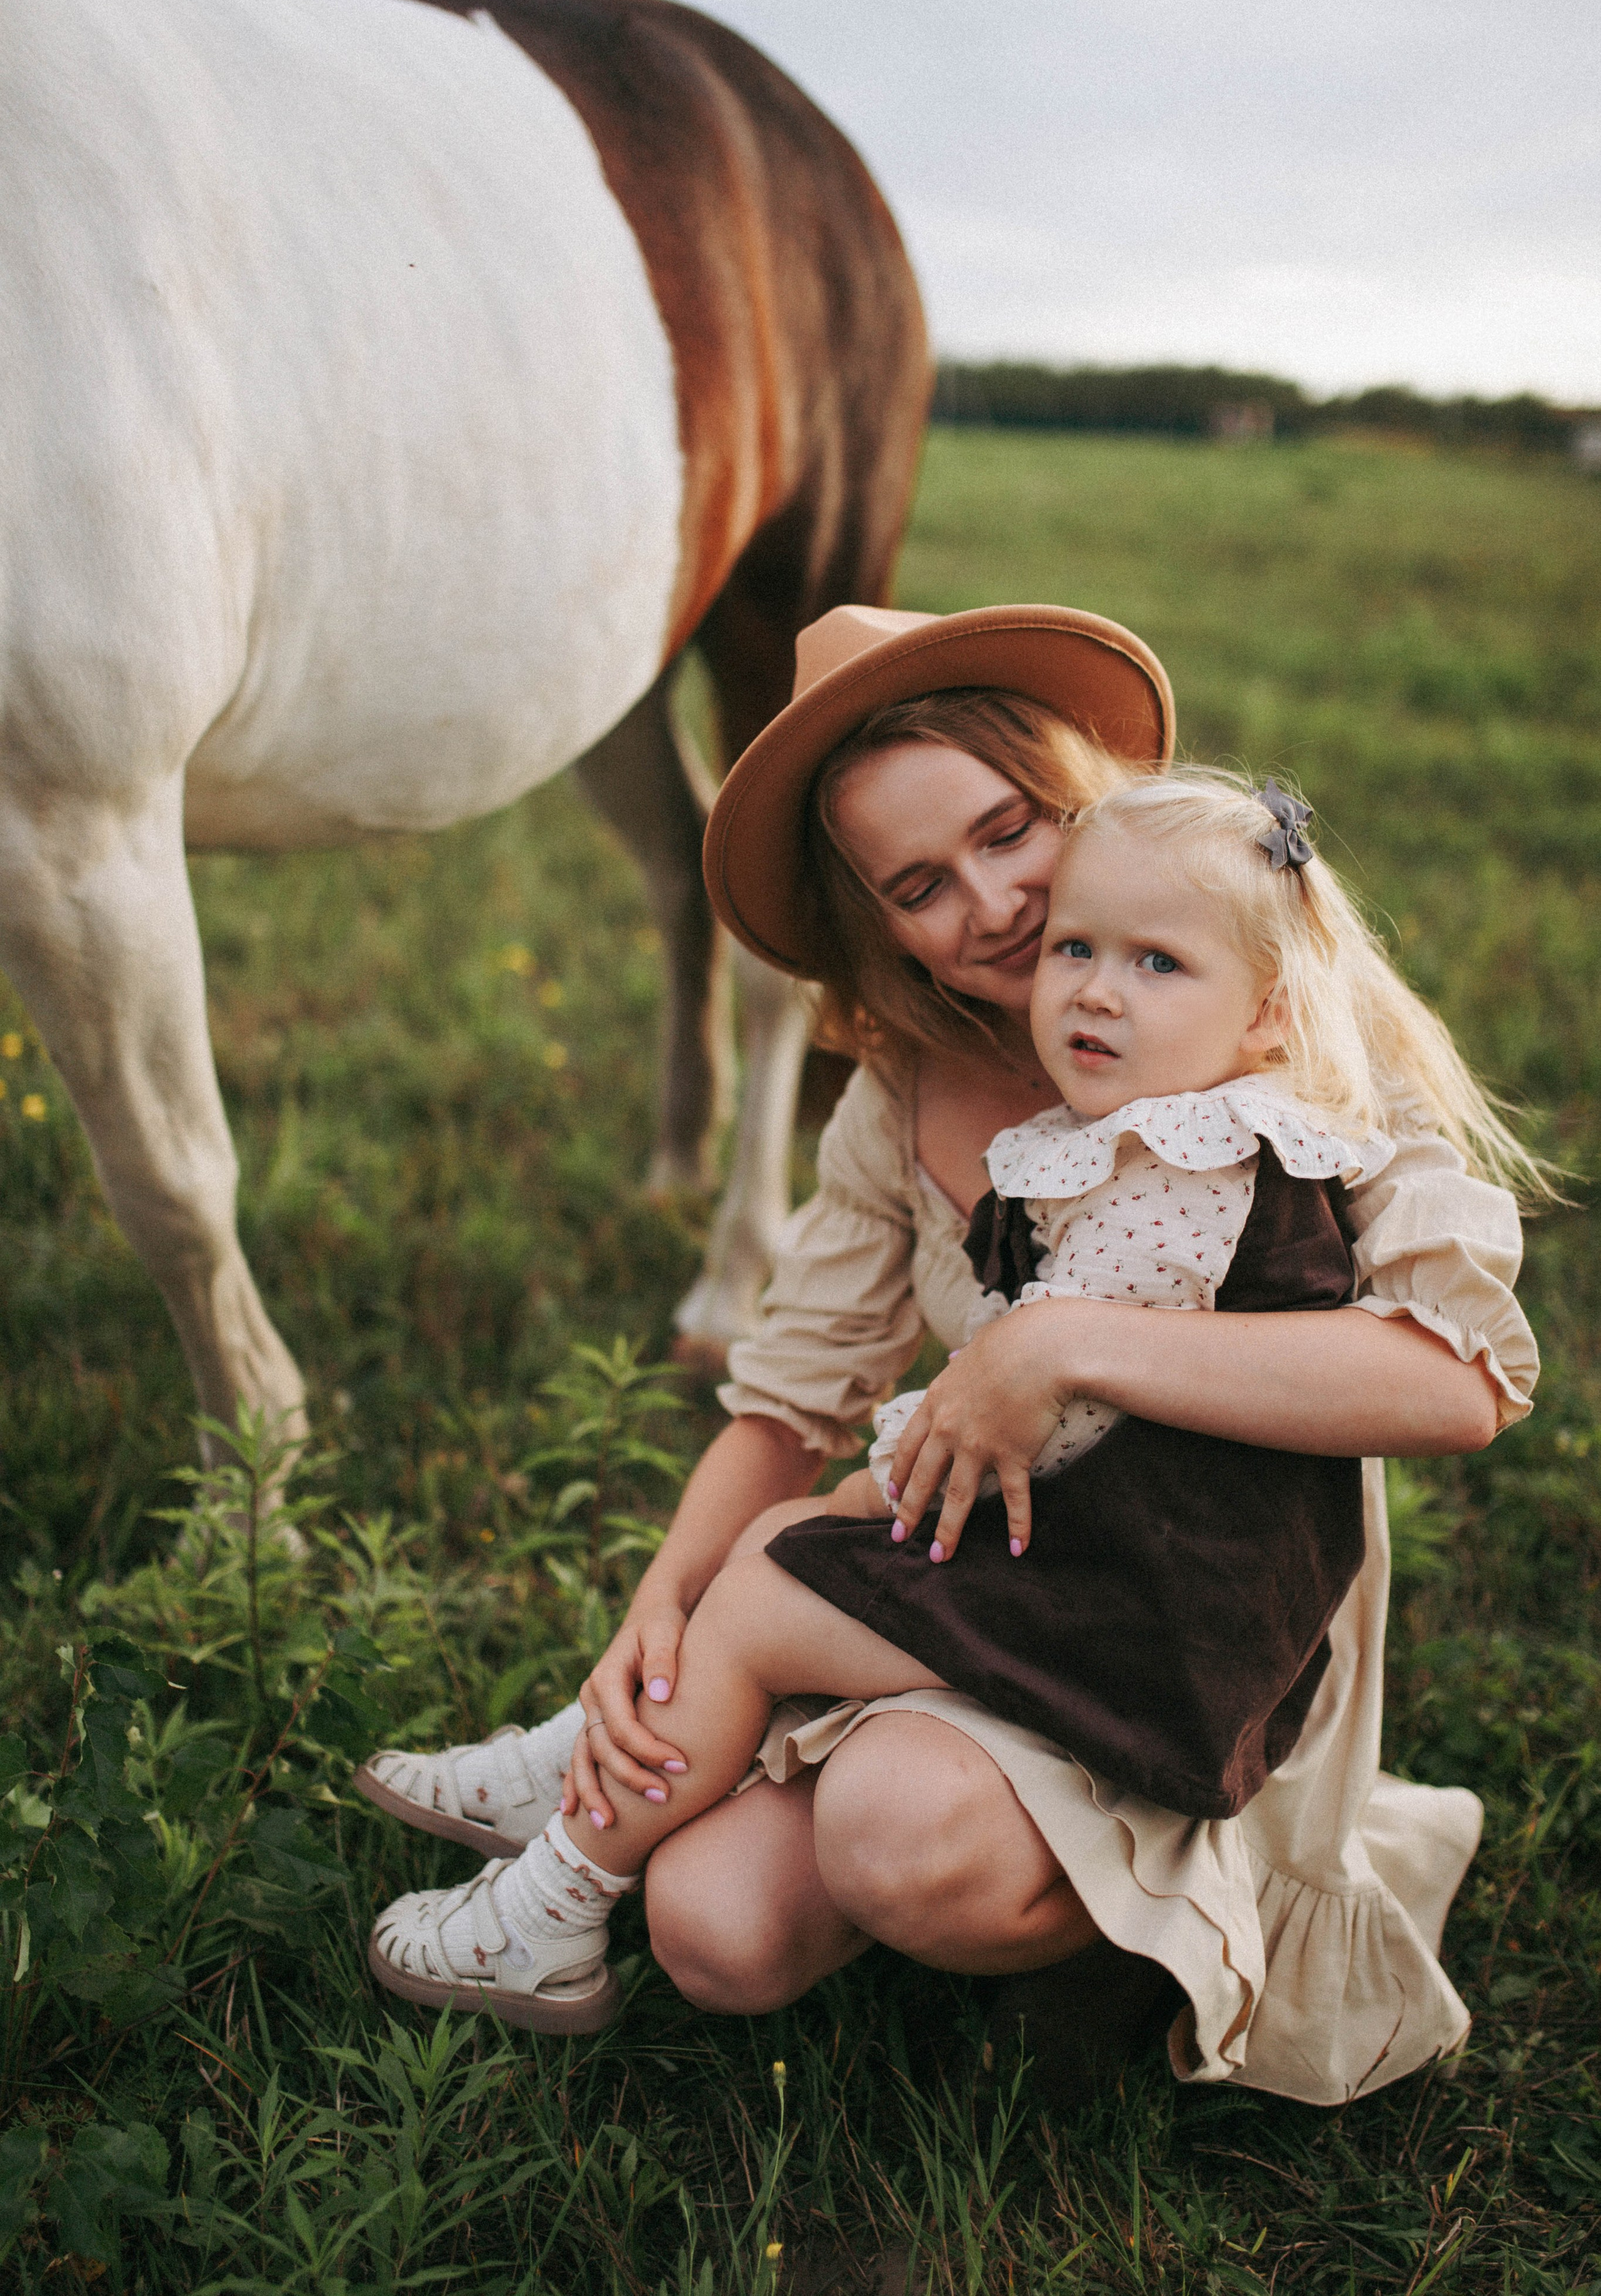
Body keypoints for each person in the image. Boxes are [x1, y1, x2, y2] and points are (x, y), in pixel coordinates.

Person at [358, 604, 1540, 2103]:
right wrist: (652, 1617)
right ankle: (604, 1772)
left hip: (1186, 1601)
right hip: (1015, 1553)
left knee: (884, 1814)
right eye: (921, 882)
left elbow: (1455, 1383)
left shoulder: (1278, 1030)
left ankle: (1145, 1938)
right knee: (713, 1928)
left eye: (1010, 830)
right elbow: (788, 1400)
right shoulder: (903, 1088)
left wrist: (1057, 1344)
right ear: (875, 919)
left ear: (1077, 785)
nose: (988, 905)